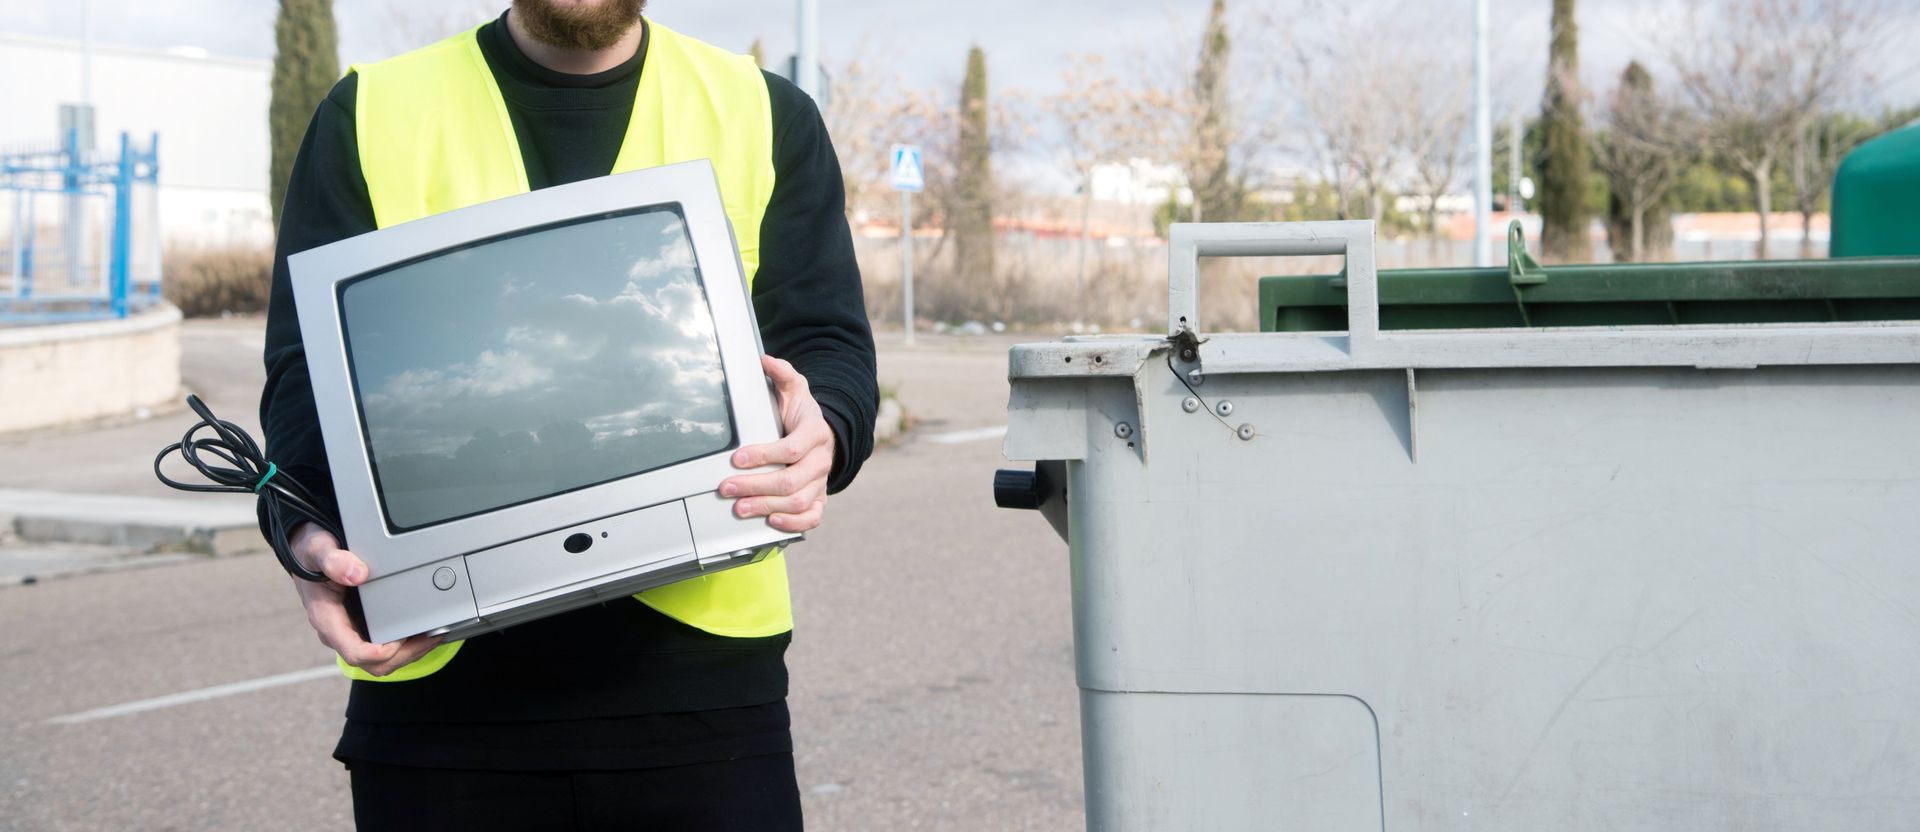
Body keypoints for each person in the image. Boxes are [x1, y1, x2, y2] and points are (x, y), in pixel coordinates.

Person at [257, 0, 877, 827]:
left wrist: (824, 428)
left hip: (703, 702)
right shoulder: (367, 111)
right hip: (440, 701)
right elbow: (302, 379)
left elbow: (828, 344)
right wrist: (303, 534)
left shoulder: (765, 112)